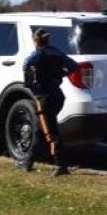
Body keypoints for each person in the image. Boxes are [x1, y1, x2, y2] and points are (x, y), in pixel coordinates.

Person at [21, 28, 79, 175]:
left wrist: (31, 84)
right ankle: (28, 161)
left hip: (44, 97)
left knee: (50, 132)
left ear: (36, 40)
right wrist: (61, 74)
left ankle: (61, 165)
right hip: (58, 95)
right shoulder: (58, 53)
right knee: (41, 129)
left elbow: (26, 65)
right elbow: (74, 66)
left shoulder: (39, 54)